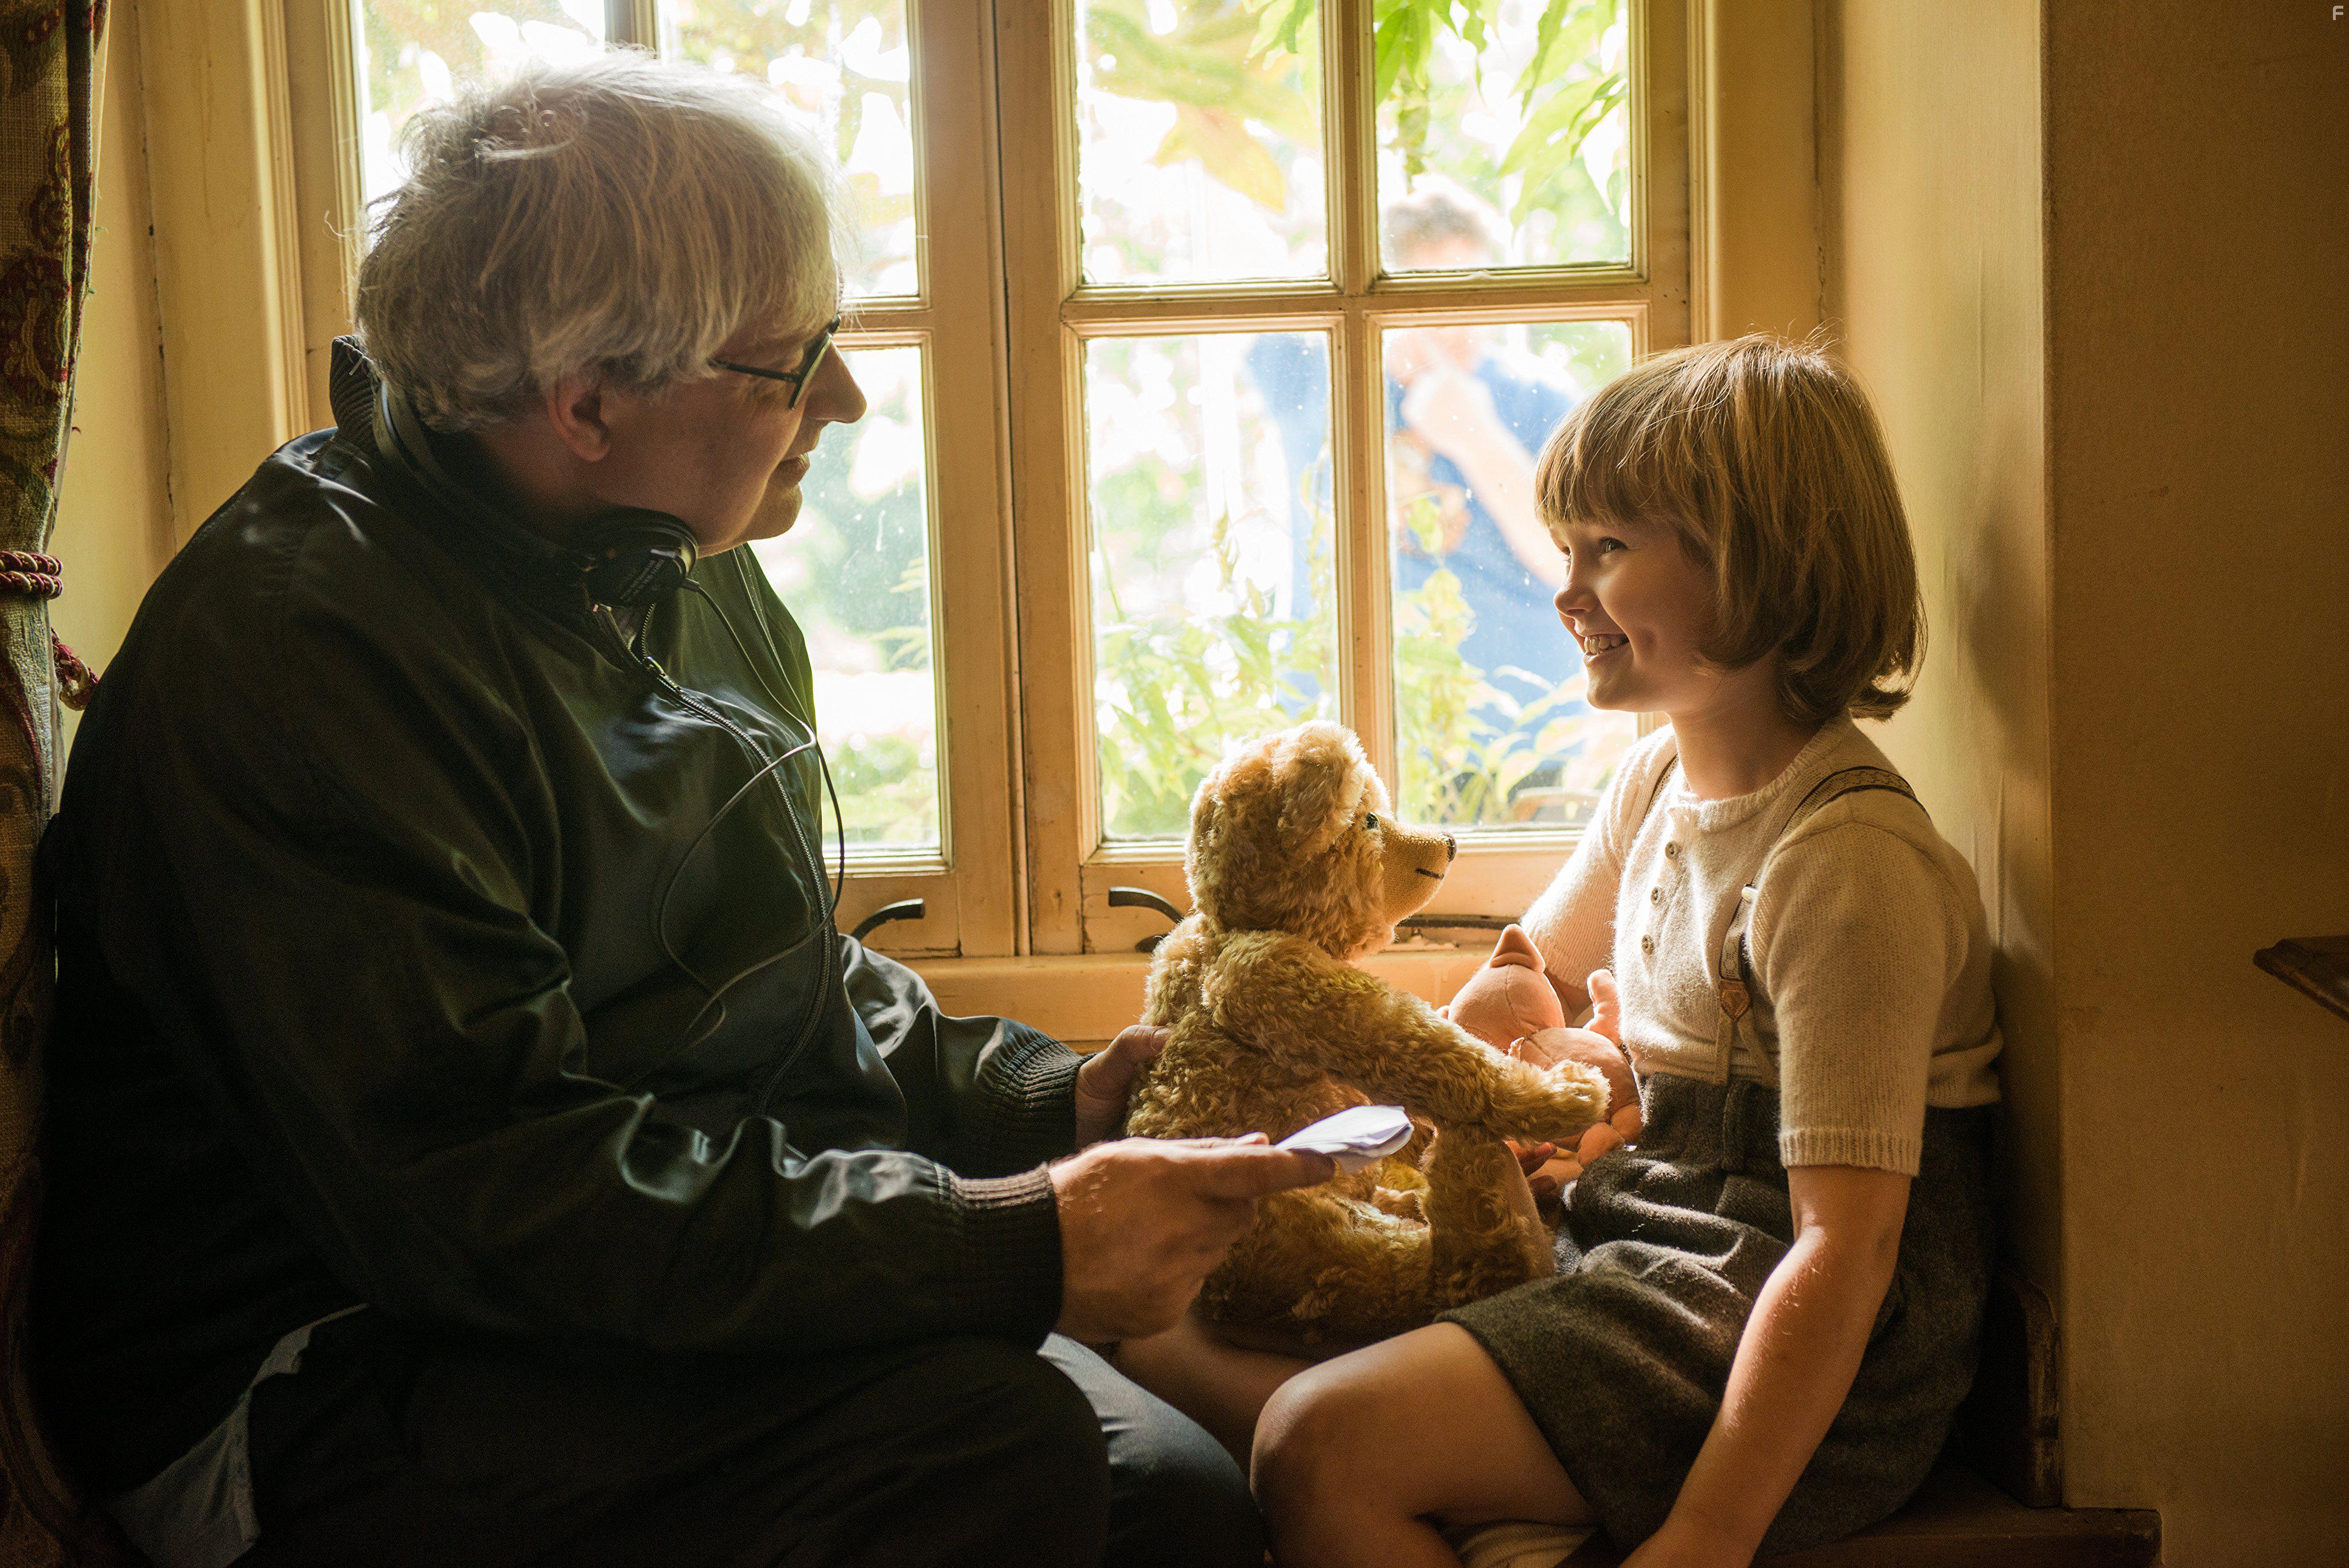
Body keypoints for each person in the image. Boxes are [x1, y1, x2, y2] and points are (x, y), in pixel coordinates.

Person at [33, 54, 1333, 1568]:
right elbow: (499, 1195)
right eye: (792, 362)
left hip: (564, 1269)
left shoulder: (658, 555)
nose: (843, 398)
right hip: (311, 1358)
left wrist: (1048, 1100)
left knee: (1174, 1502)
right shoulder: (307, 660)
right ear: (585, 401)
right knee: (997, 1454)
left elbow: (764, 972)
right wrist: (1014, 1236)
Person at [1122, 335, 2004, 1566]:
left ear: (1756, 561)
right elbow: (1522, 965)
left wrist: (1708, 1531)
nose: (1565, 590)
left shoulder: (1844, 865)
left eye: (1607, 549)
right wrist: (1490, 1038)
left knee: (1317, 1443)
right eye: (1566, 548)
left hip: (1774, 1320)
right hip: (1637, 1234)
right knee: (1157, 1329)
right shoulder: (1655, 781)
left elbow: (1842, 1250)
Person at [1250, 183, 1589, 815]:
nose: (1455, 321)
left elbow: (1571, 560)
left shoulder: (1540, 399)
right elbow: (1251, 271)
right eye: (1428, 294)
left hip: (1519, 743)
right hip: (1343, 731)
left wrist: (1475, 437)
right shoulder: (1315, 372)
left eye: (1472, 293)